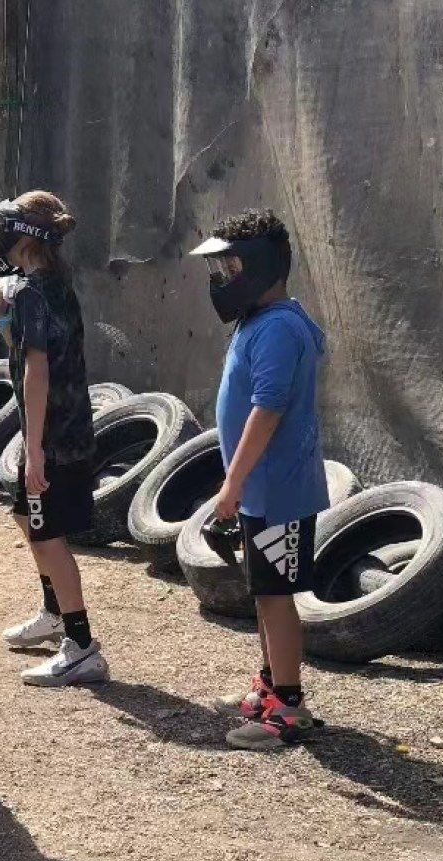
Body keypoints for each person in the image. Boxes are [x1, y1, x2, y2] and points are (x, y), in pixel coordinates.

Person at [189, 208, 328, 750]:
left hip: (278, 491)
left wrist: (232, 483)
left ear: (262, 266)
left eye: (230, 266)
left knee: (275, 596)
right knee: (264, 592)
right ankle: (271, 688)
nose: (221, 278)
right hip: (262, 489)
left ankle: (288, 709)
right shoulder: (260, 321)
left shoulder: (279, 328)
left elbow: (266, 410)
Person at [0, 191, 109, 687]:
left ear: (26, 237)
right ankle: (54, 613)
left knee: (47, 534)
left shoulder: (36, 291)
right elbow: (24, 349)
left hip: (55, 435)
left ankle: (80, 646)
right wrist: (1, 318)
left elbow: (37, 372)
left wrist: (33, 447)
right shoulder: (47, 286)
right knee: (23, 513)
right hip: (59, 429)